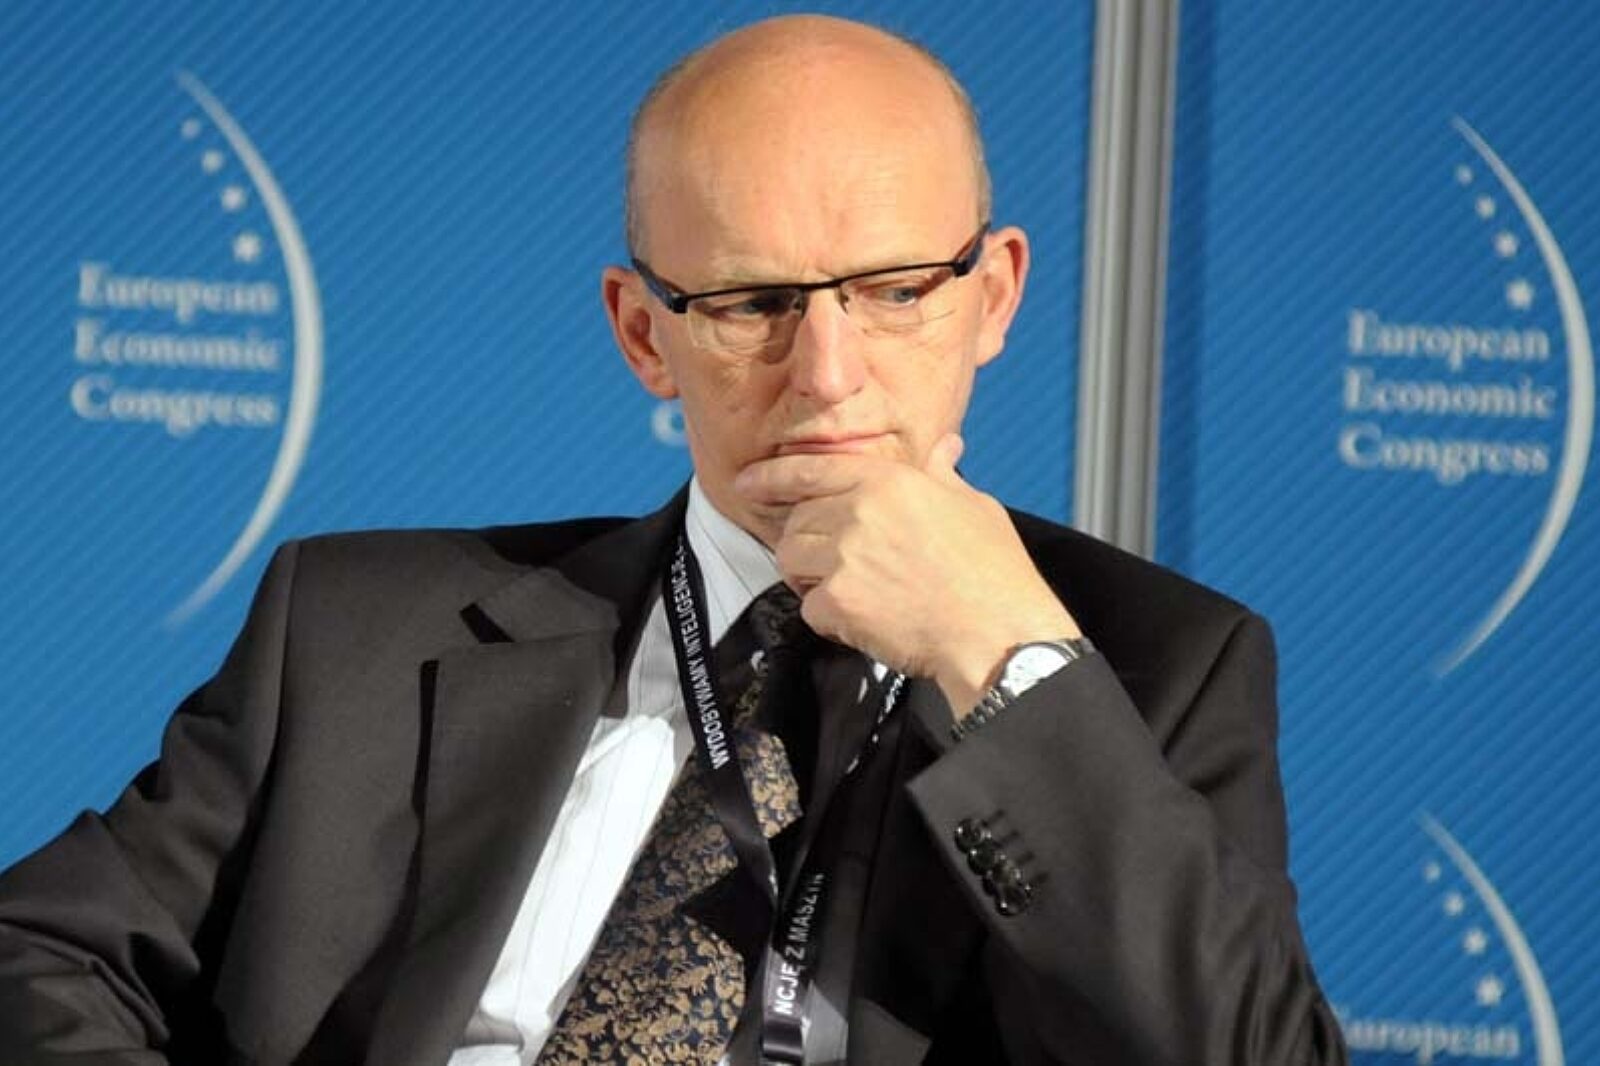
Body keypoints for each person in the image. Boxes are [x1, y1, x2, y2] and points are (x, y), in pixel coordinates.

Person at [0, 14, 1347, 1066]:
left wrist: (999, 656)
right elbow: (39, 954)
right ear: (644, 333)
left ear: (993, 296)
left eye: (893, 291)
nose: (828, 374)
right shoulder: (357, 630)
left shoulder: (1154, 675)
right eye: (754, 302)